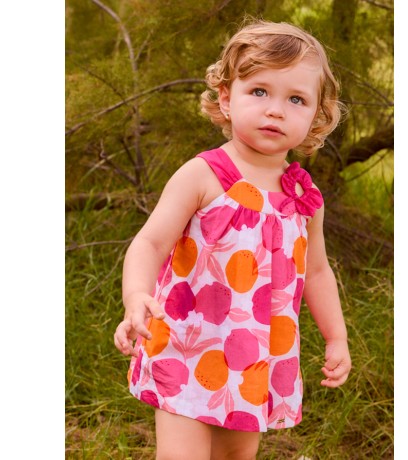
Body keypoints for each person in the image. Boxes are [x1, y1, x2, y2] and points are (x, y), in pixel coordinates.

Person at [114, 19, 351, 460]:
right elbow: (150, 243)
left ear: (316, 116)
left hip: (256, 358)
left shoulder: (303, 198)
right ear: (226, 97)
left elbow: (317, 271)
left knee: (236, 455)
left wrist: (336, 337)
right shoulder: (204, 175)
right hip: (187, 346)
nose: (275, 110)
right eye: (259, 91)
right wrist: (136, 295)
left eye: (296, 99)